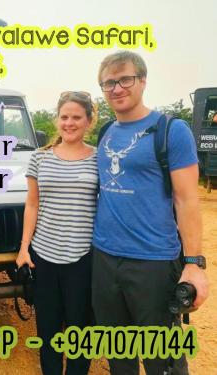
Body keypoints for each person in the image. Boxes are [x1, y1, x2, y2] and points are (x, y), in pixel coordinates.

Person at [92, 51, 209, 375]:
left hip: (153, 263)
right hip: (104, 258)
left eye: (125, 79)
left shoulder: (171, 131)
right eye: (108, 83)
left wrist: (194, 265)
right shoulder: (105, 133)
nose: (116, 88)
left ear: (142, 80)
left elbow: (187, 201)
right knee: (119, 354)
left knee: (163, 359)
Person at [16, 91, 97, 375]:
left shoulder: (99, 159)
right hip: (44, 257)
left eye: (77, 117)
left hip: (83, 258)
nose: (70, 123)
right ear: (57, 120)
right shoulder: (39, 158)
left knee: (81, 330)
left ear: (89, 121)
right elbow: (32, 204)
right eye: (64, 117)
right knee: (48, 329)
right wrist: (24, 248)